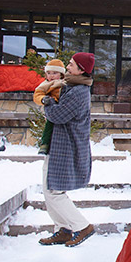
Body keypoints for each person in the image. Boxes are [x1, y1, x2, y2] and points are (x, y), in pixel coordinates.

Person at [38, 52, 95, 247]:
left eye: (71, 65)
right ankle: (62, 229)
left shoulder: (79, 92)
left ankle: (82, 226)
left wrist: (48, 103)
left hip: (67, 148)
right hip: (59, 145)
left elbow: (58, 115)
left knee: (54, 191)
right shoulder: (70, 87)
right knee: (48, 189)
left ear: (81, 70)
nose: (67, 67)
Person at [33, 59, 66, 156]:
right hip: (53, 107)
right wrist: (43, 99)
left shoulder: (65, 83)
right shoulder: (45, 85)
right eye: (49, 73)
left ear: (61, 74)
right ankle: (45, 144)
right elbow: (37, 95)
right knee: (49, 125)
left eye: (55, 73)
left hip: (64, 107)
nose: (51, 76)